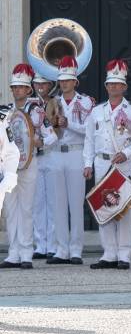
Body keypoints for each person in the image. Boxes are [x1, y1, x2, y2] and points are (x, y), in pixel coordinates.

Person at [82, 59, 131, 270]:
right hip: (101, 163)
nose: (114, 87)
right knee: (104, 205)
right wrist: (87, 164)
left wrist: (127, 153)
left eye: (117, 84)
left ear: (124, 87)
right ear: (106, 86)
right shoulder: (96, 111)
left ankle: (124, 254)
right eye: (110, 84)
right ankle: (109, 253)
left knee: (123, 207)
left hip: (123, 164)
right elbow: (89, 140)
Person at [2, 63, 56, 269]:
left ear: (28, 89)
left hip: (29, 164)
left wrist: (38, 142)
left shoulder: (36, 111)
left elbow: (51, 137)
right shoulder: (6, 111)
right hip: (9, 167)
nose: (17, 90)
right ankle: (13, 253)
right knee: (10, 209)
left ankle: (26, 253)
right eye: (14, 87)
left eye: (21, 87)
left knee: (26, 209)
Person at [45, 55, 93, 265]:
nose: (64, 83)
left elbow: (89, 131)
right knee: (58, 205)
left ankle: (75, 250)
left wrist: (68, 124)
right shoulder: (52, 102)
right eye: (61, 80)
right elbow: (47, 130)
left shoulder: (85, 102)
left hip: (76, 153)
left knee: (75, 204)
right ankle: (61, 249)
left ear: (75, 81)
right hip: (55, 153)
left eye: (68, 80)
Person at [31, 73, 57, 259]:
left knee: (53, 203)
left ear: (50, 85)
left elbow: (58, 129)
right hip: (33, 159)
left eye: (44, 83)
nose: (40, 86)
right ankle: (40, 244)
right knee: (37, 203)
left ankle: (53, 244)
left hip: (52, 154)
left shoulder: (56, 102)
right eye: (37, 83)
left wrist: (43, 141)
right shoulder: (29, 104)